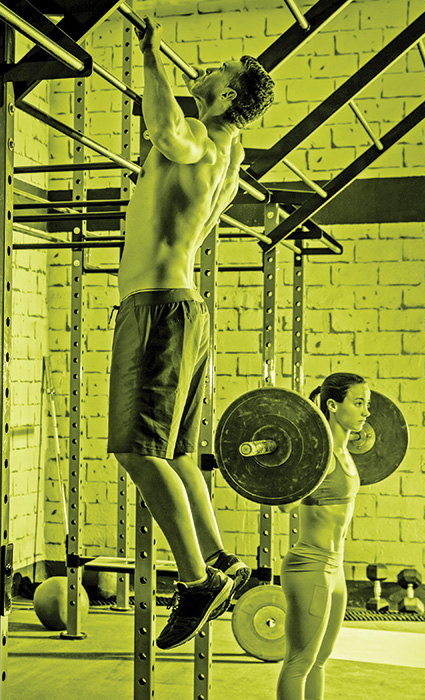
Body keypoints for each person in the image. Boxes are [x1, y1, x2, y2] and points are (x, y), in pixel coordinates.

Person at [108, 17, 276, 650]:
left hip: (157, 309)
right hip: (179, 311)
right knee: (177, 452)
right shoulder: (227, 158)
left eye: (221, 71)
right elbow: (200, 151)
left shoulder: (202, 139)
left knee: (136, 451)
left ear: (227, 97)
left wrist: (150, 55)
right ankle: (221, 557)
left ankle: (196, 580)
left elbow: (164, 130)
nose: (205, 69)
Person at [277, 373, 367, 700]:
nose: (366, 412)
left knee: (319, 662)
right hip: (310, 567)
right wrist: (285, 470)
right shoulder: (320, 454)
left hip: (336, 568)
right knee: (299, 662)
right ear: (332, 405)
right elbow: (285, 505)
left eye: (366, 404)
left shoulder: (346, 452)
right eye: (358, 403)